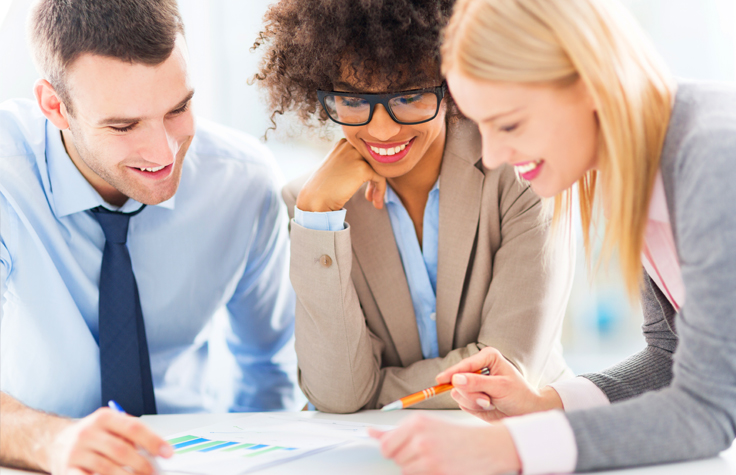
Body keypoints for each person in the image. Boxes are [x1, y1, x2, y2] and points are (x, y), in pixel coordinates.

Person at [369, 0, 736, 473]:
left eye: (510, 123)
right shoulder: (638, 165)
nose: (495, 154)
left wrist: (508, 449)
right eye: (482, 127)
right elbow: (673, 356)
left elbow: (706, 411)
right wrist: (545, 403)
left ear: (590, 83)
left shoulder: (714, 159)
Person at [0, 1, 302, 473]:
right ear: (54, 106)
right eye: (123, 126)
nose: (163, 152)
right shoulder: (6, 179)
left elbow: (268, 371)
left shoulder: (241, 184)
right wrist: (50, 442)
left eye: (178, 108)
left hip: (195, 457)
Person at [252, 0, 574, 414]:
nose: (382, 129)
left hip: (520, 442)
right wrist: (317, 218)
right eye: (353, 100)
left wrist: (372, 394)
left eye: (410, 96)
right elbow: (336, 395)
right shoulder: (315, 207)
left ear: (451, 83)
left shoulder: (521, 171)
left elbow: (505, 373)